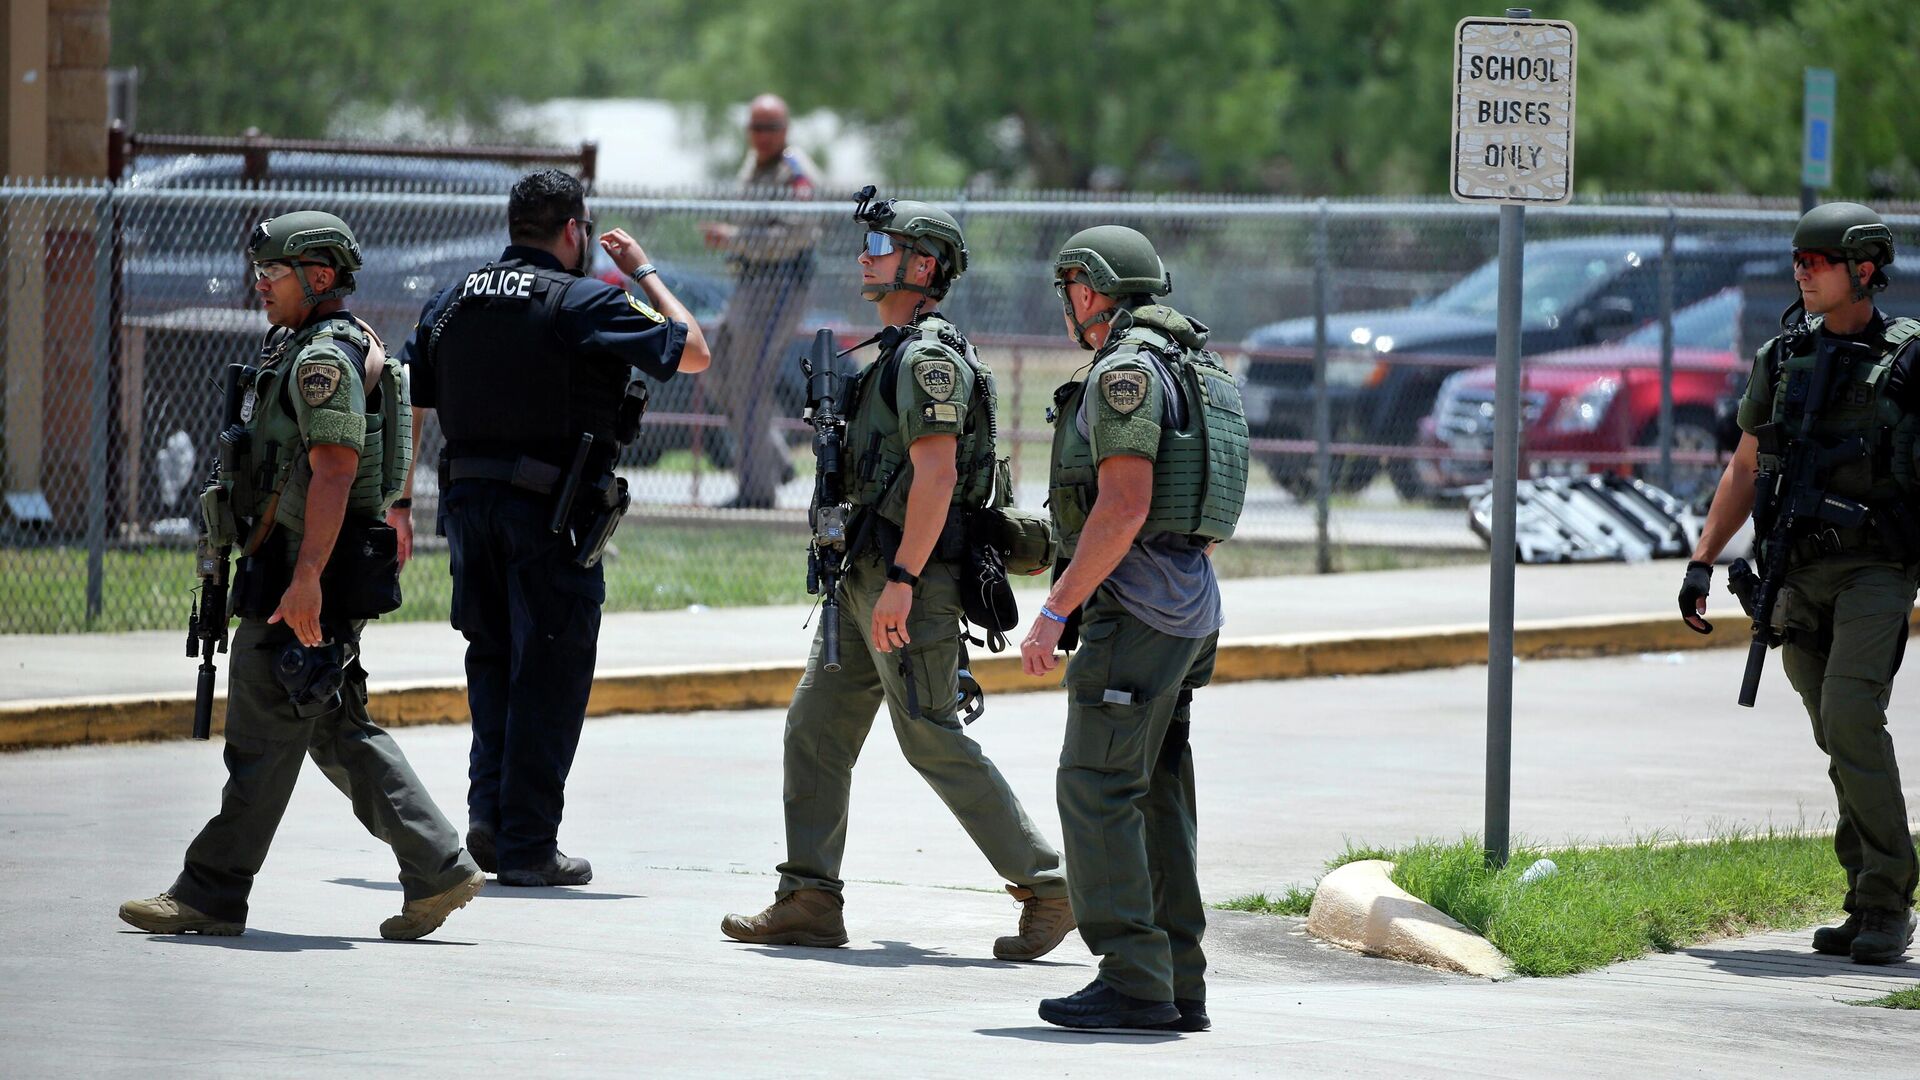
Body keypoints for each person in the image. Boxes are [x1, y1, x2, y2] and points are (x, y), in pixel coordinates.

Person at [721, 191, 1074, 960]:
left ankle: (1047, 886)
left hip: (905, 577)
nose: (864, 255)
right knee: (814, 730)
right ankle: (810, 896)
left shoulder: (928, 358)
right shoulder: (893, 349)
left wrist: (906, 581)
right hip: (863, 573)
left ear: (922, 265)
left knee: (931, 740)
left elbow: (937, 475)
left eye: (880, 244)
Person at [119, 211, 482, 941]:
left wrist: (306, 577)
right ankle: (438, 865)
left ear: (318, 277)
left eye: (272, 272)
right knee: (334, 727)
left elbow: (335, 469)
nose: (258, 285)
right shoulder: (303, 345)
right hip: (296, 566)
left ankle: (212, 891)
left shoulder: (324, 358)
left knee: (262, 732)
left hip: (302, 572)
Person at [398, 169, 710, 887]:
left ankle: (489, 818)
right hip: (549, 517)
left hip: (466, 511)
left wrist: (397, 505)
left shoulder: (451, 302)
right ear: (573, 231)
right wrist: (644, 271)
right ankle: (530, 845)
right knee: (549, 672)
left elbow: (413, 397)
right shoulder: (582, 299)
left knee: (491, 661)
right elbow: (692, 350)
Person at [1680, 201, 1919, 965]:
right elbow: (1746, 465)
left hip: (1879, 565)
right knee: (1834, 733)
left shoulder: (1912, 359)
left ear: (1864, 270)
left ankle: (1888, 899)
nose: (1801, 274)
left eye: (1815, 262)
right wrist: (1703, 559)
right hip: (1799, 569)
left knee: (1852, 715)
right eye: (1798, 262)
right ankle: (1864, 895)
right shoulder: (1782, 358)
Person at [1021, 225, 1248, 1030]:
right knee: (1156, 793)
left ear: (1089, 289)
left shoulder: (1125, 369)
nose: (1069, 304)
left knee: (1095, 787)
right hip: (1190, 602)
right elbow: (1209, 509)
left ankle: (1132, 978)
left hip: (1139, 609)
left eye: (1070, 289)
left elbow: (1123, 505)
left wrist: (1054, 613)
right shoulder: (1196, 367)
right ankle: (1178, 982)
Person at [701, 93, 821, 508]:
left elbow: (795, 235)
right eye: (756, 127)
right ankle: (773, 458)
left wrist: (735, 238)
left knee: (750, 383)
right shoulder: (753, 165)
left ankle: (756, 491)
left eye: (771, 127)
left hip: (780, 283)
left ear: (785, 130)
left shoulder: (794, 170)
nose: (762, 135)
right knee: (715, 369)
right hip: (748, 282)